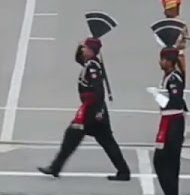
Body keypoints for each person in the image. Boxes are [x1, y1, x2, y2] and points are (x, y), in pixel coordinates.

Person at [38, 38, 132, 180]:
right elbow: (77, 58)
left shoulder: (93, 66)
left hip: (92, 110)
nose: (83, 50)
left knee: (73, 135)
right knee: (105, 141)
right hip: (93, 109)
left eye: (86, 48)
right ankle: (123, 171)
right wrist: (81, 43)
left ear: (92, 51)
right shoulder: (89, 63)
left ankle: (55, 167)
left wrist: (99, 110)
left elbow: (99, 90)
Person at [149, 47, 187, 195]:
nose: (161, 62)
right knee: (166, 162)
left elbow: (175, 101)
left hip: (173, 122)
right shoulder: (169, 77)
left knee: (164, 161)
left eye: (164, 59)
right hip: (168, 119)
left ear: (170, 62)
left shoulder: (174, 79)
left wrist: (156, 96)